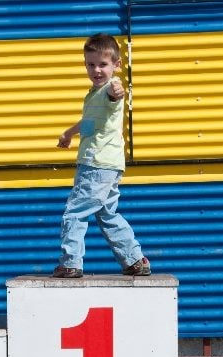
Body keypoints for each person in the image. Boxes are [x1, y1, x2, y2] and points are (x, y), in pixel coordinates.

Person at [52, 33, 150, 279]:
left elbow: (116, 95)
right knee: (107, 214)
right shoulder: (93, 94)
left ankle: (71, 262)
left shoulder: (109, 89)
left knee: (75, 212)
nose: (96, 70)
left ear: (116, 65)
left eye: (103, 64)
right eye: (91, 64)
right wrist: (68, 134)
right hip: (110, 164)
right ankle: (134, 260)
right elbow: (89, 124)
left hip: (96, 164)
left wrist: (118, 89)